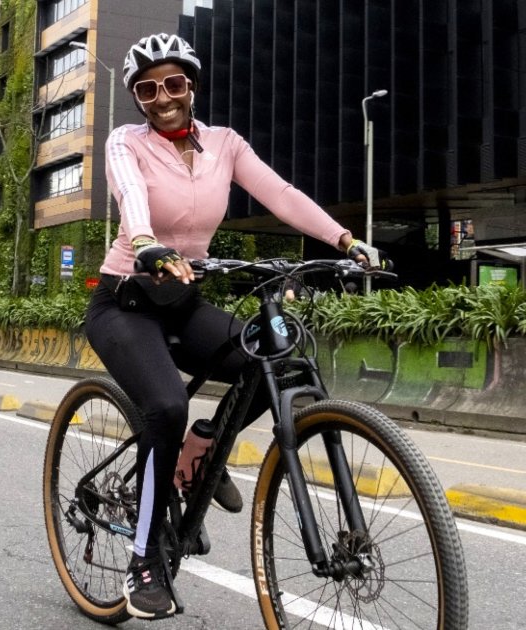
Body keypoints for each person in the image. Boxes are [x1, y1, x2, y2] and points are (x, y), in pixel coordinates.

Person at [87, 33, 383, 620]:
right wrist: (144, 243)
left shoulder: (225, 144)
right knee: (165, 408)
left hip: (184, 300)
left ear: (191, 86)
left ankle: (200, 455)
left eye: (173, 83)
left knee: (270, 354)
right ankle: (144, 559)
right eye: (147, 89)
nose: (162, 96)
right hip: (126, 301)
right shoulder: (128, 142)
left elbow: (281, 194)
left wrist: (345, 241)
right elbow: (130, 195)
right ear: (137, 99)